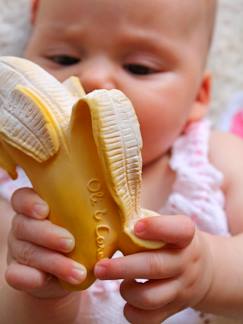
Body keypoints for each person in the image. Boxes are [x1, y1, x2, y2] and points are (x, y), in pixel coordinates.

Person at [1, 0, 243, 323]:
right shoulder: (18, 197)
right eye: (64, 58)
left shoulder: (216, 160)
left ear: (198, 96)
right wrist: (41, 294)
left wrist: (211, 272)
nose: (93, 78)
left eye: (139, 67)